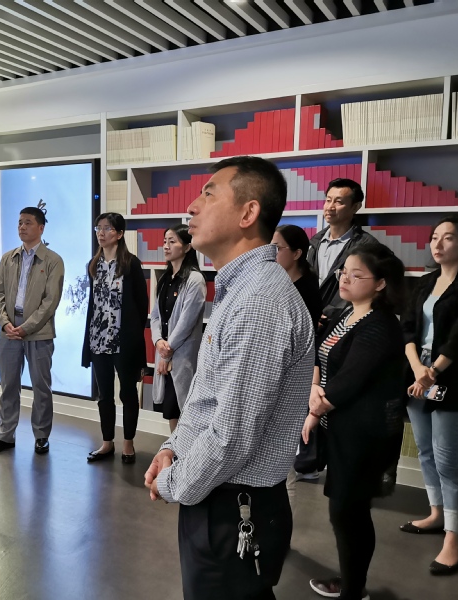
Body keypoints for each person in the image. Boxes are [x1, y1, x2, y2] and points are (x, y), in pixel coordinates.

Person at [144, 156, 314, 600]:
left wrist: (173, 482)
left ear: (248, 213)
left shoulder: (259, 301)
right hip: (220, 496)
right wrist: (172, 448)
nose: (191, 207)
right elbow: (207, 397)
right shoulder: (240, 288)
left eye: (208, 194)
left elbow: (231, 436)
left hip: (236, 505)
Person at [303, 245, 406, 600]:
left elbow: (350, 380)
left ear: (380, 283)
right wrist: (314, 387)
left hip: (365, 434)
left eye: (356, 274)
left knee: (349, 513)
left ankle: (353, 589)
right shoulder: (347, 313)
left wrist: (315, 409)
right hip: (342, 429)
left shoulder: (380, 325)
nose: (344, 279)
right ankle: (352, 583)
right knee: (346, 512)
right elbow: (319, 353)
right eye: (343, 272)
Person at [399, 214, 458, 575]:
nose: (437, 244)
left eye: (448, 237)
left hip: (450, 379)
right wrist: (417, 368)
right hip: (417, 376)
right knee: (424, 450)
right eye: (434, 236)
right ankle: (437, 513)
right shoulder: (424, 283)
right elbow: (408, 328)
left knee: (447, 458)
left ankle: (454, 538)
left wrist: (433, 372)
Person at [0, 207, 65, 456]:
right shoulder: (8, 258)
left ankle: (41, 436)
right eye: (19, 222)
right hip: (9, 331)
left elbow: (51, 301)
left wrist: (26, 327)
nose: (22, 227)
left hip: (38, 332)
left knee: (41, 387)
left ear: (41, 228)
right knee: (8, 385)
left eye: (28, 223)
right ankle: (5, 435)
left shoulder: (53, 260)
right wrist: (4, 323)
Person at [83, 212, 149, 464]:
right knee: (104, 395)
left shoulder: (131, 264)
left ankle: (128, 443)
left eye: (107, 228)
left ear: (120, 234)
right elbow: (93, 306)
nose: (101, 233)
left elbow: (141, 306)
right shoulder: (93, 265)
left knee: (128, 393)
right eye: (98, 228)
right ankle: (107, 442)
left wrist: (135, 339)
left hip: (123, 341)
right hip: (98, 339)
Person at [272, 224, 321, 508]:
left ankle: (283, 522)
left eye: (278, 248)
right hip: (274, 370)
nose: (272, 253)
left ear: (297, 253)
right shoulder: (276, 282)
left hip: (292, 374)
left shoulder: (307, 289)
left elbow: (302, 339)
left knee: (284, 459)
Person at [150, 224, 206, 433]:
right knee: (171, 410)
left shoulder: (195, 280)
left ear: (187, 247)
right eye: (165, 241)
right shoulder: (165, 278)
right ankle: (175, 449)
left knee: (185, 408)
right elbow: (155, 316)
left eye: (172, 242)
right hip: (164, 353)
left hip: (181, 356)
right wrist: (158, 341)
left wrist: (166, 352)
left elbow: (186, 322)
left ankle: (184, 451)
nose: (166, 246)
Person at [307, 178, 379, 321]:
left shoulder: (366, 246)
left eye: (338, 202)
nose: (330, 207)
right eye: (328, 200)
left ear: (355, 207)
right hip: (310, 317)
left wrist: (330, 314)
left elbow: (364, 289)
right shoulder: (315, 241)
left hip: (341, 320)